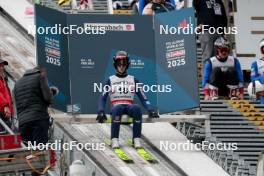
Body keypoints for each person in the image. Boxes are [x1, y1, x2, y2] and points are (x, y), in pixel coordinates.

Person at [96, 51, 159, 149]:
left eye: (123, 64)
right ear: (115, 65)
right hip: (116, 106)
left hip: (129, 106)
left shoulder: (134, 80)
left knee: (137, 108)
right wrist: (101, 111)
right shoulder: (110, 80)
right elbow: (103, 97)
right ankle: (114, 139)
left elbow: (143, 97)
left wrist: (150, 109)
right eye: (119, 64)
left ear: (127, 65)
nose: (121, 66)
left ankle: (136, 139)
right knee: (118, 109)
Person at [14, 66, 58, 176]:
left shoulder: (17, 83)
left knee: (29, 154)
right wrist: (52, 92)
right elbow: (47, 98)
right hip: (38, 120)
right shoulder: (40, 77)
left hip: (23, 123)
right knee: (39, 153)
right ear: (40, 71)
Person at [0, 58, 14, 130]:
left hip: (5, 115)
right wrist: (5, 105)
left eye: (3, 66)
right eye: (0, 66)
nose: (2, 68)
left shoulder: (3, 80)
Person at [249, 39, 264, 103]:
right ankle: (255, 101)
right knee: (253, 84)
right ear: (262, 50)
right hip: (262, 87)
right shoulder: (256, 63)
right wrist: (262, 78)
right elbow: (253, 78)